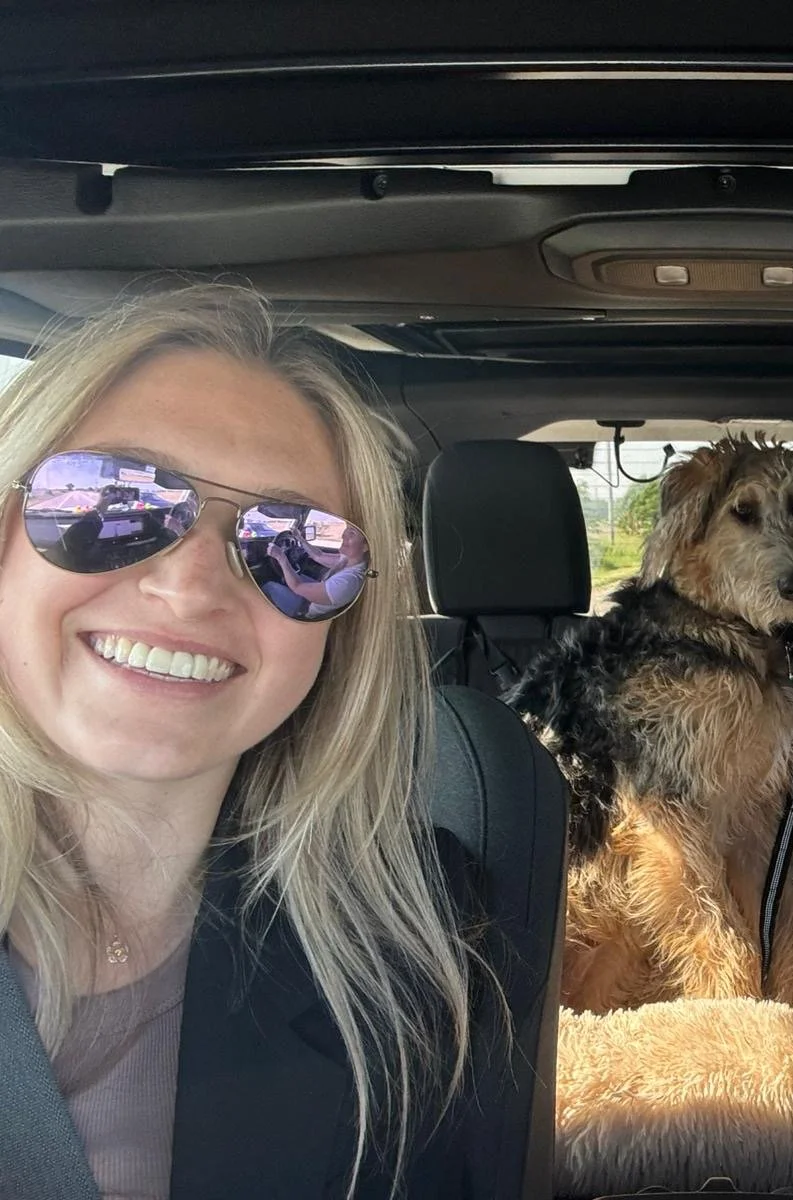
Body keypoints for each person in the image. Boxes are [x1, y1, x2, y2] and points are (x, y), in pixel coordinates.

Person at [0, 285, 516, 1197]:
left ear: (338, 625)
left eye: (296, 544)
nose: (193, 586)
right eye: (111, 498)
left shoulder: (418, 935)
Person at [264, 523, 370, 618]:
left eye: (351, 533)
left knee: (269, 585)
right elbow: (318, 555)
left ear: (365, 547)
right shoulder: (348, 559)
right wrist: (300, 538)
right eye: (346, 529)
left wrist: (281, 557)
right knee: (285, 578)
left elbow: (297, 587)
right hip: (316, 593)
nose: (343, 534)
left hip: (304, 609)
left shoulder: (348, 581)